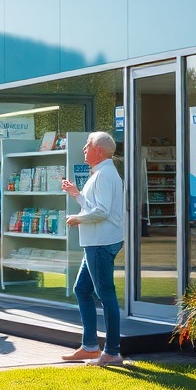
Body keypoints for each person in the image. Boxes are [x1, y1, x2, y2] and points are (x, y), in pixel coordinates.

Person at [60, 131, 125, 366]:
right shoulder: (101, 173)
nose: (84, 149)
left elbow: (101, 212)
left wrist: (77, 219)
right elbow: (95, 207)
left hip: (100, 243)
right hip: (95, 243)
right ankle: (89, 347)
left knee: (106, 295)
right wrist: (76, 194)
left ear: (98, 150)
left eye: (87, 146)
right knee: (82, 289)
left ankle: (112, 352)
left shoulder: (104, 175)